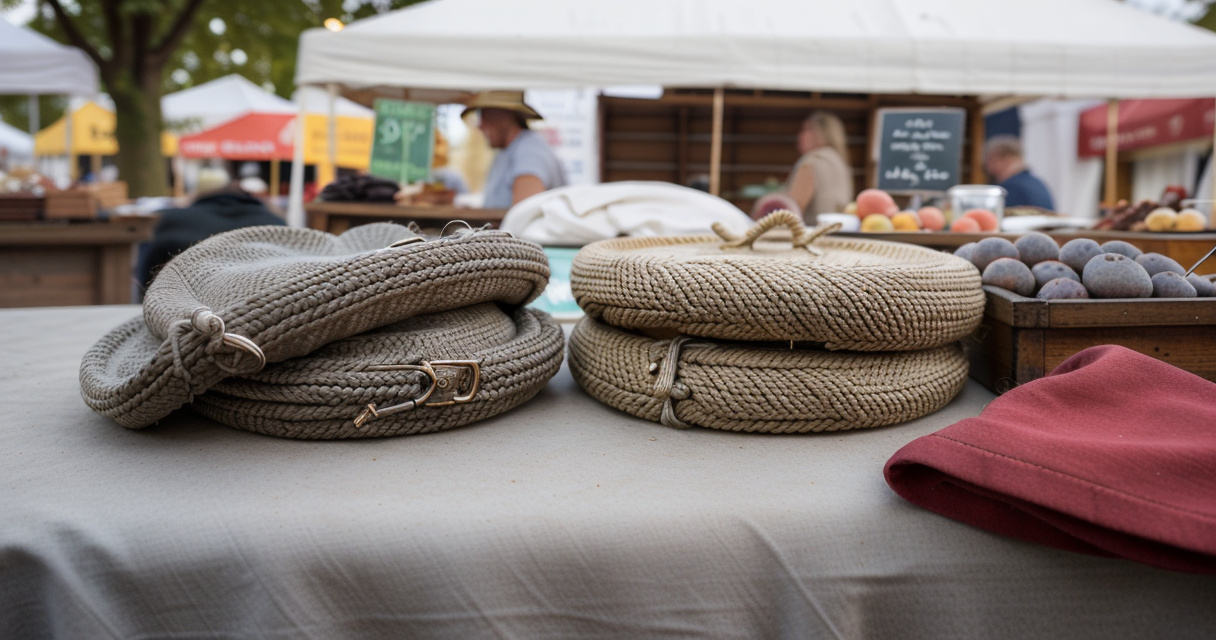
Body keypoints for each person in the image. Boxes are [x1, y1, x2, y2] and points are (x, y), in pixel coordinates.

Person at [135, 167, 285, 295]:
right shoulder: (276, 222)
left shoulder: (168, 219)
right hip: (263, 303)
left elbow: (145, 279)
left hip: (180, 304)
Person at [463, 91, 566, 209]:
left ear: (505, 115)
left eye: (485, 115)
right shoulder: (506, 151)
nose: (480, 125)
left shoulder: (529, 150)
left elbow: (525, 213)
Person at [758, 111, 854, 222]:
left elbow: (792, 211)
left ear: (820, 133)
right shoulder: (838, 161)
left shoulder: (813, 160)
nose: (800, 136)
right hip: (836, 229)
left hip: (813, 230)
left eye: (805, 129)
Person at [984, 135, 1055, 211]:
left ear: (1006, 159)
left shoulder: (1011, 188)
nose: (987, 167)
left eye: (990, 160)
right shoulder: (1037, 183)